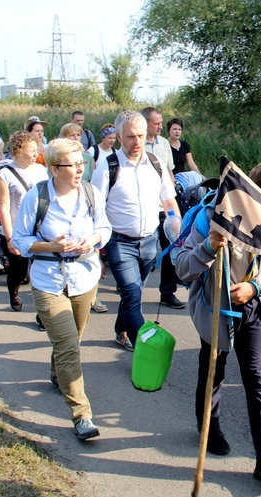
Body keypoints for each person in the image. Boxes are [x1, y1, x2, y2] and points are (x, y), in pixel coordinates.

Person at [176, 158, 261, 483]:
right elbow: (182, 267)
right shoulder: (211, 220)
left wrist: (254, 286)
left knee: (258, 381)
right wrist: (207, 247)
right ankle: (208, 427)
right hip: (215, 307)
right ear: (258, 200)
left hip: (253, 309)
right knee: (213, 373)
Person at [12, 138, 111, 441]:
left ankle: (57, 374)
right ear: (54, 169)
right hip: (48, 280)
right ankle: (82, 415)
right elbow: (20, 240)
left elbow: (104, 228)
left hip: (84, 277)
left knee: (72, 341)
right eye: (73, 165)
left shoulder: (91, 194)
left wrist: (92, 240)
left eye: (83, 163)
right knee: (69, 346)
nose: (81, 169)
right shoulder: (37, 197)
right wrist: (49, 246)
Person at [90, 111, 180, 351]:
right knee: (131, 292)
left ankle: (122, 330)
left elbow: (170, 202)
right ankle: (146, 344)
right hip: (119, 242)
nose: (137, 141)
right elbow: (96, 212)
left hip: (150, 242)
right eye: (130, 136)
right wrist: (96, 252)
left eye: (141, 135)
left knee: (134, 293)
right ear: (119, 136)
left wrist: (176, 229)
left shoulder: (155, 164)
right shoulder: (106, 169)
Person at [0, 131, 50, 313]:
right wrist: (10, 238)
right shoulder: (5, 175)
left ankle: (42, 312)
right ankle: (14, 292)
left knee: (41, 272)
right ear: (19, 151)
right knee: (18, 271)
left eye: (37, 150)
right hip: (17, 230)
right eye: (32, 150)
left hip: (40, 230)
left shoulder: (41, 171)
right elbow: (3, 207)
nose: (36, 154)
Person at [59, 122, 105, 313]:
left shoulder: (88, 158)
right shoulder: (57, 162)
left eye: (78, 135)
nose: (75, 138)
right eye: (71, 135)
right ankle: (57, 301)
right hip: (63, 207)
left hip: (85, 204)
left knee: (91, 257)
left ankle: (93, 297)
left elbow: (92, 181)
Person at [142, 107, 184, 309]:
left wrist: (175, 201)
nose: (160, 127)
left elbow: (169, 172)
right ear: (145, 124)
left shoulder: (164, 143)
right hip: (143, 206)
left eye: (161, 122)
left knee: (171, 246)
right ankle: (132, 287)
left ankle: (168, 292)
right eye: (156, 123)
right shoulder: (137, 143)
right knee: (144, 250)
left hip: (164, 205)